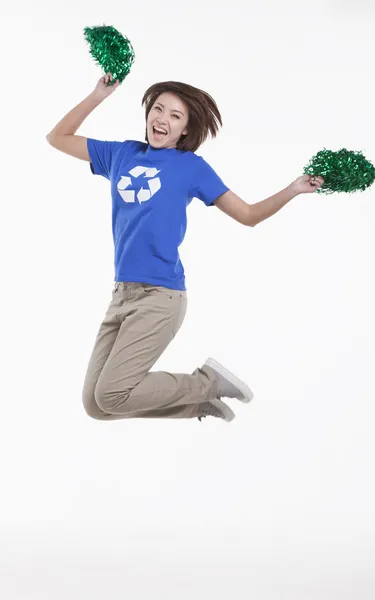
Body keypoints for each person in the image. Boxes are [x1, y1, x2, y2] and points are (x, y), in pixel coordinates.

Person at [46, 72, 324, 423]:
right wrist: (97, 95)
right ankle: (195, 405)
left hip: (160, 296)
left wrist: (293, 189)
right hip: (121, 295)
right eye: (158, 109)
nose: (162, 119)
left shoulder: (190, 168)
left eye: (175, 116)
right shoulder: (120, 154)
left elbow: (249, 215)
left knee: (112, 394)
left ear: (185, 131)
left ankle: (207, 382)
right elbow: (57, 137)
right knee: (96, 405)